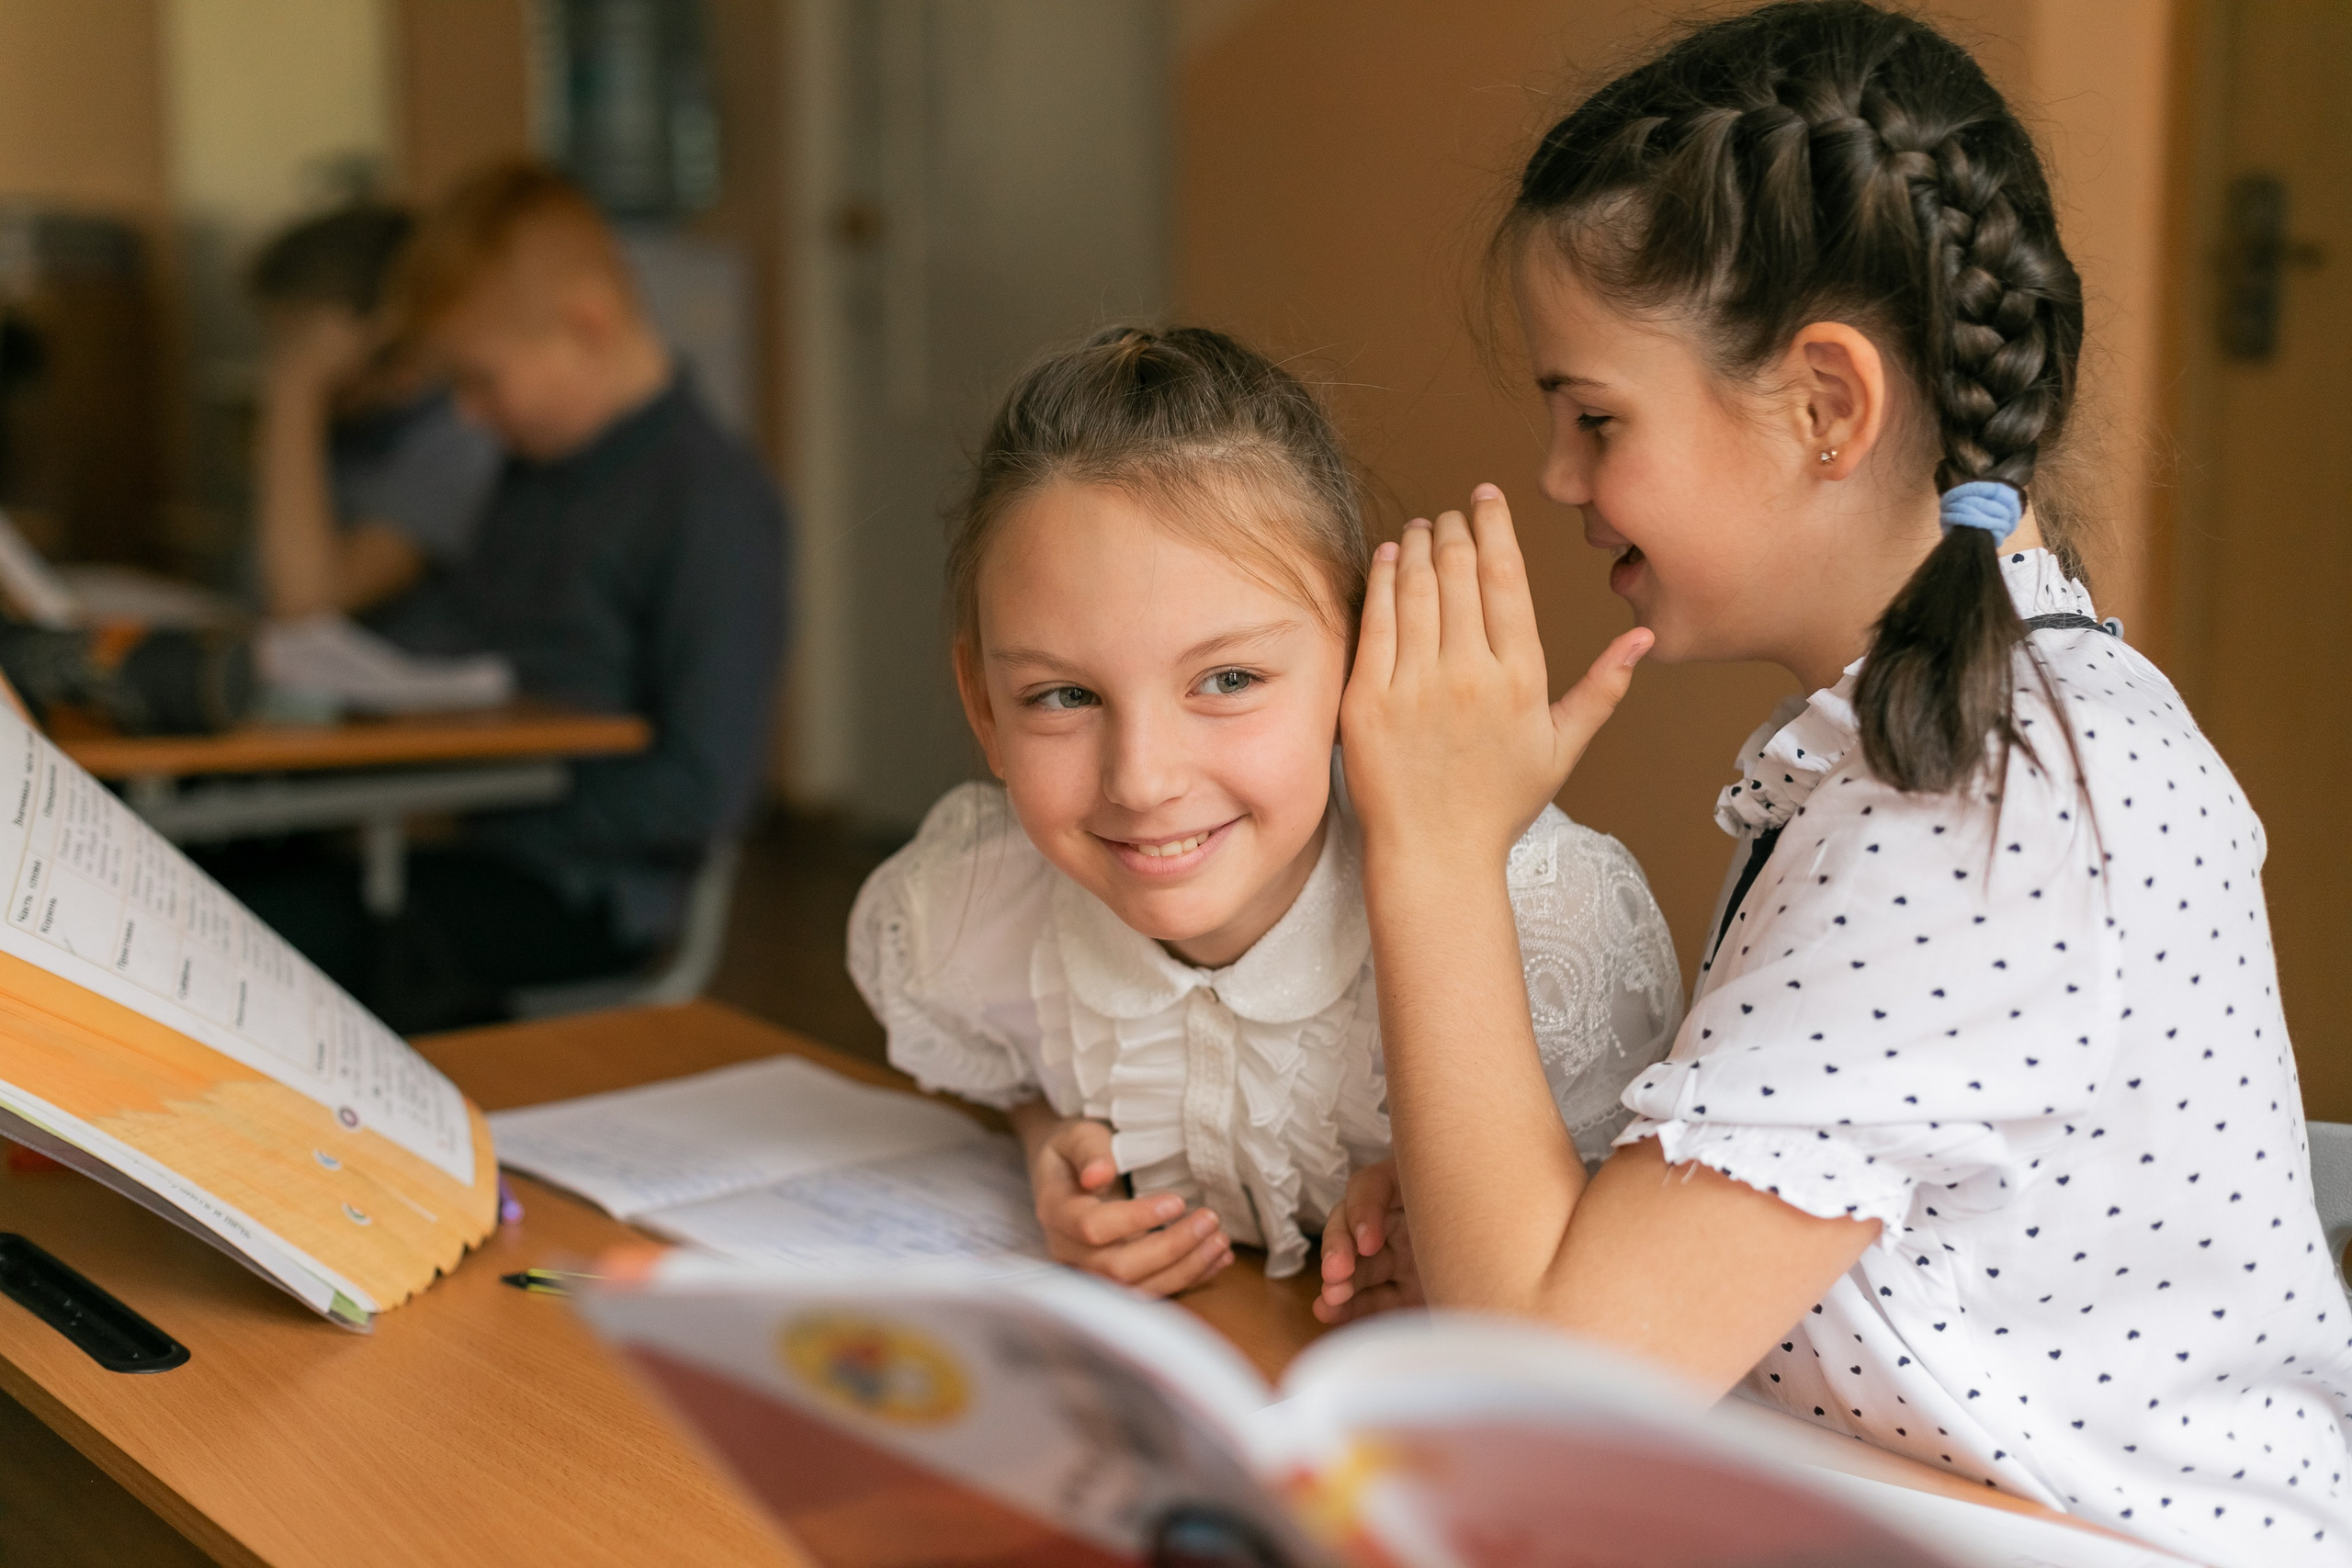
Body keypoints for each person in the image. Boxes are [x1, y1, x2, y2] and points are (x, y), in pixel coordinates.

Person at [1321, 4, 2352, 1562]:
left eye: (1595, 415)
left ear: (1825, 405)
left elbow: (1537, 1390)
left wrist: (1435, 845)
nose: (1557, 477)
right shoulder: (2029, 719)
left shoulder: (1966, 817)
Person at [845, 325, 1681, 1296]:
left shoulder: (1542, 924)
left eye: (1228, 678)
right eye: (1062, 697)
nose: (1142, 780)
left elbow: (1599, 1278)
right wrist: (1049, 1151)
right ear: (983, 705)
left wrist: (1448, 1213)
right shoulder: (967, 908)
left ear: (1361, 661)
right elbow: (1019, 1080)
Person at [219, 162, 787, 1032]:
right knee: (197, 879)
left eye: (482, 381)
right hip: (449, 832)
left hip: (580, 891)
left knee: (245, 939)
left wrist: (467, 803)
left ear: (586, 326)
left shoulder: (716, 503)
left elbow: (701, 794)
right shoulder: (534, 472)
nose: (471, 416)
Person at [248, 204, 502, 617]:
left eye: (292, 343)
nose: (277, 361)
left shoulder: (461, 431)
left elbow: (303, 602)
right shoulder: (343, 427)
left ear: (362, 335)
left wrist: (296, 387)